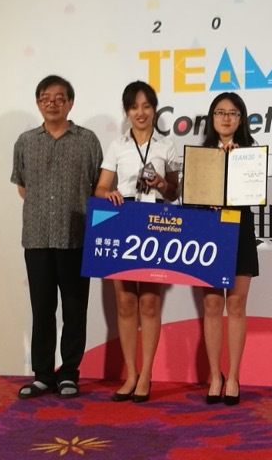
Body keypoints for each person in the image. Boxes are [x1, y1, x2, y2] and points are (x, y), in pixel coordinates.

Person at [10, 75, 103, 399]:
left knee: (75, 310)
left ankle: (69, 374)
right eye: (45, 98)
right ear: (38, 102)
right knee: (42, 310)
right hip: (37, 238)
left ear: (70, 102)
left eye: (59, 97)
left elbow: (98, 186)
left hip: (76, 237)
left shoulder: (87, 140)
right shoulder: (25, 142)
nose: (52, 103)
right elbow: (23, 186)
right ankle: (43, 375)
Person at [94, 80, 179, 403]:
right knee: (126, 302)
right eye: (133, 107)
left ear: (154, 109)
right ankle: (130, 374)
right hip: (124, 220)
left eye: (146, 106)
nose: (140, 112)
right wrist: (109, 193)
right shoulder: (117, 145)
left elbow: (175, 193)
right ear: (126, 111)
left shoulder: (166, 146)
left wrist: (161, 184)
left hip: (155, 222)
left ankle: (146, 375)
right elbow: (100, 188)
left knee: (150, 303)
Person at [201, 92, 260, 406]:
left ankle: (234, 376)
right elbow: (192, 195)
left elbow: (253, 196)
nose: (226, 118)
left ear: (241, 119)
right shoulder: (201, 154)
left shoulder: (251, 154)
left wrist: (234, 163)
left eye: (233, 113)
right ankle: (215, 375)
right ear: (212, 118)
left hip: (240, 230)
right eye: (220, 112)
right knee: (212, 305)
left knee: (236, 305)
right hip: (209, 232)